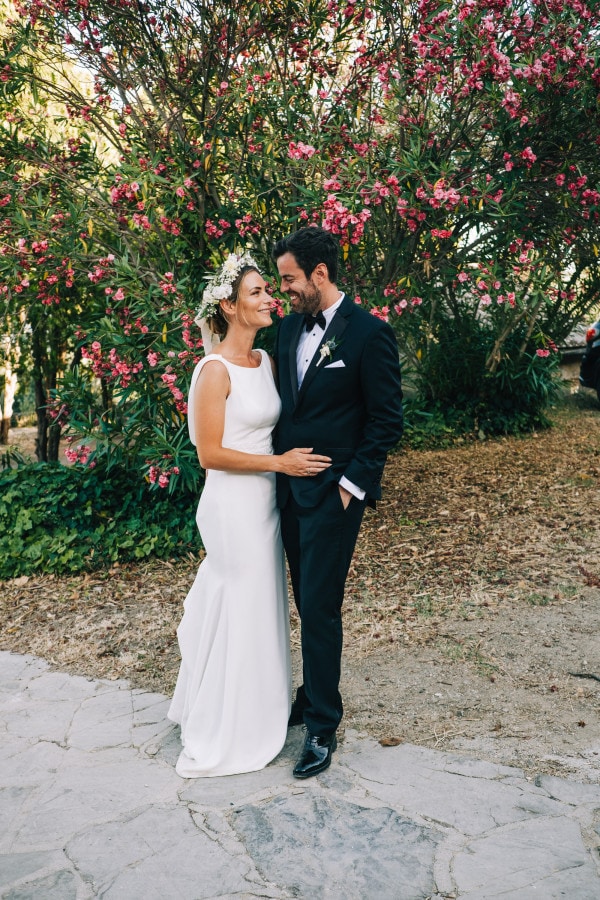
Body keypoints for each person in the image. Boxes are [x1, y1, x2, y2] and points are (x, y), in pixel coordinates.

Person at [168, 251, 331, 778]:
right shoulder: (211, 372)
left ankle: (263, 707)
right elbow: (209, 454)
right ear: (229, 306)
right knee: (240, 601)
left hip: (268, 502)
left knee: (264, 604)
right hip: (232, 504)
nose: (269, 299)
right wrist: (278, 463)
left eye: (268, 290)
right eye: (257, 293)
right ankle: (229, 723)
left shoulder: (267, 362)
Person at [272, 226, 404, 779]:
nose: (285, 291)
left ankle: (322, 724)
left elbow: (386, 420)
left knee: (321, 605)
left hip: (333, 495)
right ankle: (309, 692)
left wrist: (352, 487)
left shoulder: (369, 335)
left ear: (319, 275)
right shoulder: (283, 332)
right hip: (284, 490)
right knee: (305, 598)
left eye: (290, 280)